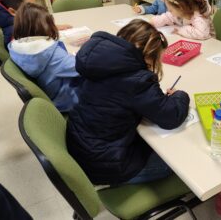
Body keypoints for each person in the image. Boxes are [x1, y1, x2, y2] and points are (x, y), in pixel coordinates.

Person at [66, 19, 190, 185]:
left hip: (82, 149)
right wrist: (180, 95)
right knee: (180, 164)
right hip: (106, 165)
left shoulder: (101, 62)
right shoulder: (137, 80)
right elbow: (171, 116)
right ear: (148, 57)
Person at [8, 2, 80, 113]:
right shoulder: (53, 55)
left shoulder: (15, 47)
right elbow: (83, 68)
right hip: (66, 99)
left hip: (49, 91)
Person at [0, 0, 71, 50]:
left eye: (34, 5)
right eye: (30, 7)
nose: (34, 9)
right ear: (13, 11)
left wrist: (50, 26)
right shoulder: (15, 31)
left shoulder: (15, 16)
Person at [151, 0, 215, 40]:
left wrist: (180, 30)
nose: (170, 12)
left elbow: (201, 34)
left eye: (171, 10)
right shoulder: (182, 12)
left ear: (181, 8)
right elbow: (167, 17)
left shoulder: (199, 17)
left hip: (209, 44)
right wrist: (153, 22)